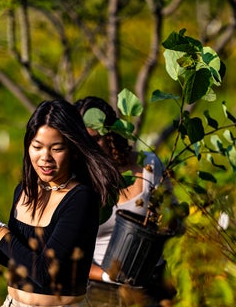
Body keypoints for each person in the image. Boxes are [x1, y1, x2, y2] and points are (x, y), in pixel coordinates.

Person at [0, 99, 125, 307]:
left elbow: (44, 272)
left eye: (57, 149)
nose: (45, 158)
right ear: (28, 146)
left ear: (74, 150)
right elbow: (20, 262)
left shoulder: (80, 198)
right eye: (37, 146)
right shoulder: (24, 190)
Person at [75, 96, 176, 307]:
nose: (89, 149)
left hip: (152, 282)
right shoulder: (78, 181)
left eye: (95, 139)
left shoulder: (148, 165)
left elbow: (176, 220)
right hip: (100, 288)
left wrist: (163, 218)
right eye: (83, 141)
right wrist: (105, 275)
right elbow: (66, 254)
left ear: (112, 134)